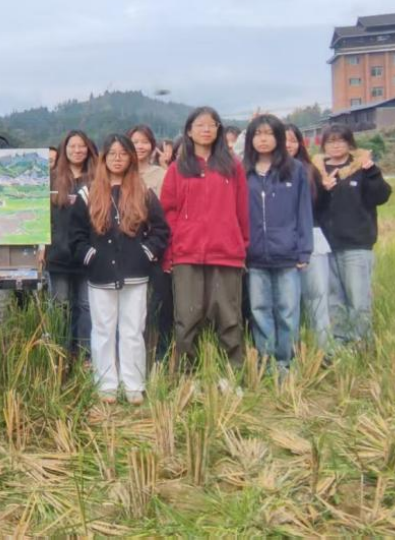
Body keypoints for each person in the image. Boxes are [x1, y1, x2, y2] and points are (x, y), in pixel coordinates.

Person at [69, 134, 170, 405]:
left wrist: (145, 253)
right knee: (103, 330)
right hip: (100, 274)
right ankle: (106, 386)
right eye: (112, 153)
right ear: (104, 158)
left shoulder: (143, 192)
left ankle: (133, 385)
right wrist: (91, 256)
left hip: (135, 274)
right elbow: (76, 236)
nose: (117, 158)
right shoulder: (88, 194)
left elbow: (160, 231)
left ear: (131, 158)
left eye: (123, 153)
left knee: (132, 329)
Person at [160, 107, 249, 367]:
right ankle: (186, 374)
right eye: (200, 125)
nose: (206, 129)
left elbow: (242, 210)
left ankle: (233, 373)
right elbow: (169, 213)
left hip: (226, 252)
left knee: (228, 317)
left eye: (212, 124)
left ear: (219, 129)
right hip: (187, 253)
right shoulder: (178, 168)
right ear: (189, 131)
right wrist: (169, 253)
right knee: (187, 318)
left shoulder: (232, 166)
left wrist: (242, 246)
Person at [243, 114, 313, 369]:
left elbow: (303, 211)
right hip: (254, 255)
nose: (263, 139)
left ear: (279, 138)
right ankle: (265, 363)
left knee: (288, 310)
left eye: (269, 133)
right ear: (250, 139)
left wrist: (304, 250)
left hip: (287, 253)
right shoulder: (244, 171)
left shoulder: (294, 169)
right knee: (259, 309)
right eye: (258, 134)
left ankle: (286, 363)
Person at [313, 124, 391, 346]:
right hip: (326, 245)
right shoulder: (317, 170)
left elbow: (381, 196)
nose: (336, 145)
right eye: (331, 141)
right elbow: (312, 205)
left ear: (350, 143)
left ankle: (361, 344)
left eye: (341, 140)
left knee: (358, 298)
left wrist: (372, 172)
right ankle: (339, 342)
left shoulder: (362, 167)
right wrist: (323, 189)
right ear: (324, 145)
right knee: (333, 299)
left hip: (356, 244)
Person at [45, 130, 98, 358]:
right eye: (72, 146)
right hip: (58, 253)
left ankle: (85, 355)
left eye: (81, 146)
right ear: (64, 150)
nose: (77, 150)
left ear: (88, 149)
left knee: (86, 305)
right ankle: (60, 355)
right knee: (60, 305)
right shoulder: (52, 178)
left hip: (87, 253)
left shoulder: (97, 178)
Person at [284, 123, 331, 348]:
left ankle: (323, 348)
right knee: (288, 301)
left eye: (293, 140)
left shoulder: (310, 170)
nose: (288, 145)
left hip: (312, 238)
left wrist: (328, 189)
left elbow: (322, 207)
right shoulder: (266, 172)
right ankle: (292, 349)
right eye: (282, 140)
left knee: (317, 297)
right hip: (282, 241)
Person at [127, 124, 171, 360]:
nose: (140, 146)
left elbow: (167, 213)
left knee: (158, 304)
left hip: (155, 247)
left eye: (144, 142)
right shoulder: (121, 173)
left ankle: (160, 356)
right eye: (135, 142)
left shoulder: (161, 175)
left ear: (152, 146)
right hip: (126, 248)